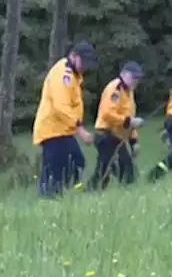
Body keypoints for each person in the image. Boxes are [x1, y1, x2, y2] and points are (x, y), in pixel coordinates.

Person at [33, 42, 96, 198]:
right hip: (52, 130)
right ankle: (48, 198)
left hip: (63, 130)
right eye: (83, 62)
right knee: (54, 168)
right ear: (73, 56)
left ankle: (62, 194)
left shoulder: (73, 75)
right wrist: (80, 129)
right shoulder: (63, 75)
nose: (84, 67)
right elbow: (61, 106)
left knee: (76, 162)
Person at [94, 62, 144, 188]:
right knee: (113, 170)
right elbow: (107, 114)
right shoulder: (115, 88)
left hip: (117, 137)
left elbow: (129, 117)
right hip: (106, 135)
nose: (135, 81)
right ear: (123, 74)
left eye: (138, 78)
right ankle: (91, 192)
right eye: (133, 77)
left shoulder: (129, 92)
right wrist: (128, 121)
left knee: (120, 170)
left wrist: (134, 141)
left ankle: (93, 191)